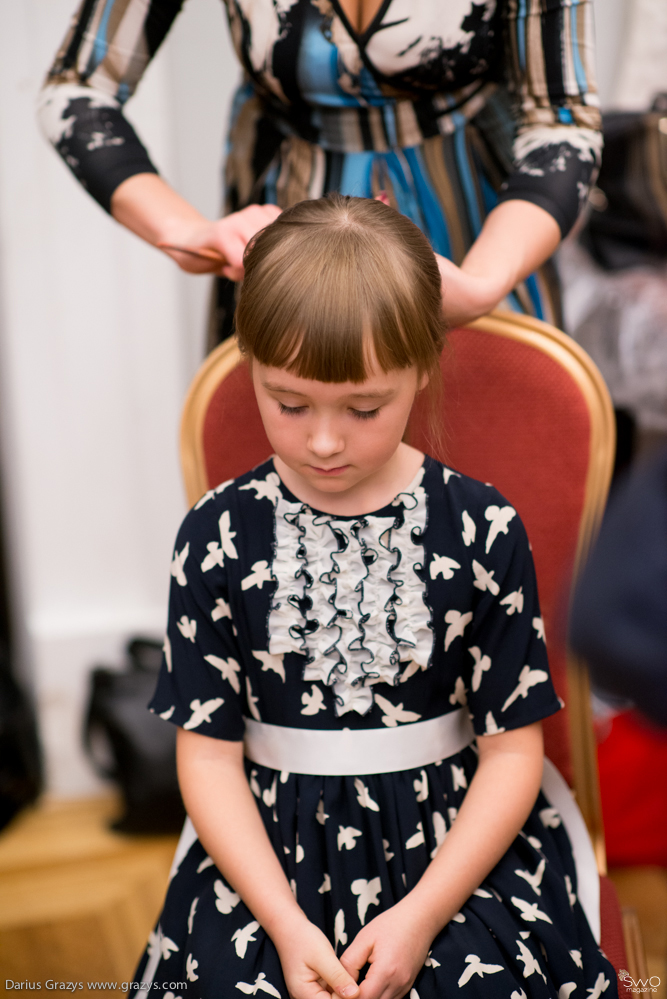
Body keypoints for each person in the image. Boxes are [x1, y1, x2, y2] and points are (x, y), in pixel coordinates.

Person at [136, 196, 615, 998]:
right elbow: (209, 757)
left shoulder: (482, 526)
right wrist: (285, 924)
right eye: (288, 403)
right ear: (250, 362)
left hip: (453, 850)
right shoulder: (214, 533)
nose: (323, 441)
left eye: (364, 408)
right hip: (266, 857)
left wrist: (422, 916)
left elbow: (510, 751)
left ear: (421, 369)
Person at [39, 0, 602, 346]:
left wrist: (480, 286)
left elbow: (562, 120)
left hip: (480, 227)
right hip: (287, 222)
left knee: (499, 466)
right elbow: (79, 87)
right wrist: (184, 231)